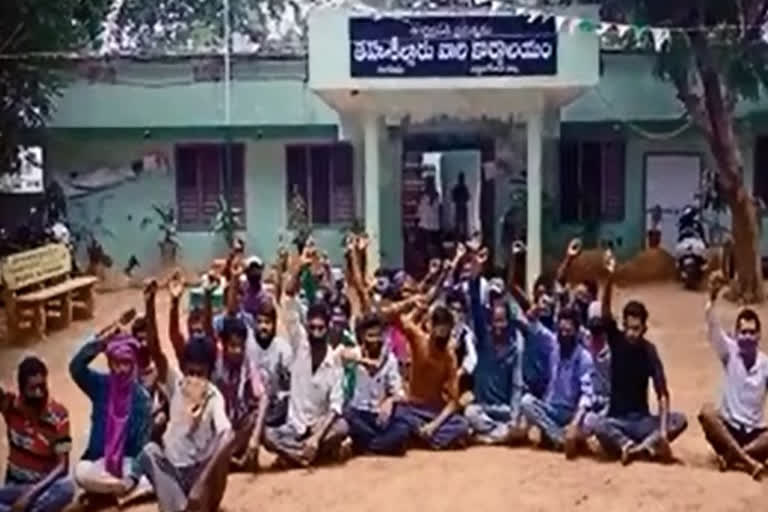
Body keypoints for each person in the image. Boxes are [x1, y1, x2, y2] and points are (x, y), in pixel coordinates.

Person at [592, 250, 688, 465]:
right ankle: (639, 447)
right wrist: (609, 277)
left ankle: (636, 449)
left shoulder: (649, 351)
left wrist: (662, 430)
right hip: (617, 420)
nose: (631, 332)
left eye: (636, 328)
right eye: (628, 327)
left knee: (679, 420)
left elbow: (662, 394)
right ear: (623, 326)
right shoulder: (616, 341)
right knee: (597, 425)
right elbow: (606, 312)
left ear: (644, 328)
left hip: (642, 421)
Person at [263, 254, 349, 467]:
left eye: (321, 328)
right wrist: (297, 269)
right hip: (294, 427)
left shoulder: (334, 362)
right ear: (307, 327)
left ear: (327, 328)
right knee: (266, 435)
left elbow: (335, 408)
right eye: (312, 327)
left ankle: (297, 455)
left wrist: (316, 437)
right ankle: (305, 456)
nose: (316, 332)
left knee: (343, 427)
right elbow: (289, 299)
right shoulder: (299, 343)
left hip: (318, 427)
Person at [137, 336, 234, 512]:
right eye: (190, 372)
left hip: (198, 473)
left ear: (209, 374)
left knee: (221, 446)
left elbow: (227, 435)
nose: (194, 379)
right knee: (149, 452)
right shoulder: (176, 385)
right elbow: (156, 350)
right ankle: (179, 506)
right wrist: (150, 308)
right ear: (184, 369)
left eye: (200, 374)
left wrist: (201, 482)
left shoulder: (214, 398)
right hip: (174, 470)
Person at [69, 326, 151, 505]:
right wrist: (101, 343)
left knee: (147, 478)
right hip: (101, 461)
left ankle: (110, 491)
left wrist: (132, 478)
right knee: (81, 472)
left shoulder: (142, 399)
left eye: (126, 363)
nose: (121, 369)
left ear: (133, 364)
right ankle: (119, 492)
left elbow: (143, 447)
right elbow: (76, 368)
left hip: (128, 463)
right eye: (116, 363)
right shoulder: (100, 385)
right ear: (110, 363)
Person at [698, 271, 768, 479]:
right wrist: (711, 297)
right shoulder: (730, 353)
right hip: (729, 429)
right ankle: (746, 460)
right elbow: (713, 326)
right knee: (707, 413)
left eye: (751, 332)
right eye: (743, 332)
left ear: (758, 336)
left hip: (753, 432)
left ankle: (733, 457)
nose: (747, 337)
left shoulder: (765, 365)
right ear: (736, 335)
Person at [379, 304, 470, 451]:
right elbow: (388, 315)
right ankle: (428, 438)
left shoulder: (450, 357)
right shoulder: (418, 339)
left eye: (445, 334)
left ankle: (421, 436)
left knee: (462, 425)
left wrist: (434, 426)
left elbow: (453, 401)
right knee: (395, 414)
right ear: (431, 327)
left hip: (434, 411)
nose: (442, 338)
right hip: (412, 407)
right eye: (439, 332)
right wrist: (411, 301)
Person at [0, 357, 74, 512]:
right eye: (32, 388)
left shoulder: (60, 416)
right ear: (21, 388)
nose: (39, 393)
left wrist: (30, 495)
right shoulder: (9, 405)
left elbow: (63, 466)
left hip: (43, 488)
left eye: (42, 386)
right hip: (14, 486)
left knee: (66, 489)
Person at [520, 307, 596, 458]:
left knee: (591, 421)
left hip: (572, 413)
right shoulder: (553, 343)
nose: (564, 334)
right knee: (526, 402)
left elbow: (587, 396)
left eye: (568, 331)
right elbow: (534, 326)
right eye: (561, 330)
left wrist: (574, 424)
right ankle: (561, 439)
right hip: (550, 409)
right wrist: (534, 311)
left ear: (576, 331)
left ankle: (562, 436)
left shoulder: (584, 357)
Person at [464, 275, 525, 445]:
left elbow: (517, 386)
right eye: (495, 322)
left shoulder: (515, 348)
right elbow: (475, 307)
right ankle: (498, 436)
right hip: (483, 408)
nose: (498, 326)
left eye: (502, 321)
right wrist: (474, 277)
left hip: (504, 409)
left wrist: (513, 418)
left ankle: (489, 436)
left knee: (519, 423)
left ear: (509, 322)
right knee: (470, 413)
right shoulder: (483, 341)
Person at [343, 313, 407, 454]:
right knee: (347, 415)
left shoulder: (390, 360)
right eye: (370, 336)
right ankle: (382, 445)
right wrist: (363, 361)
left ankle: (369, 446)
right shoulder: (355, 353)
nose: (375, 340)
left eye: (378, 335)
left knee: (403, 426)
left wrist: (390, 400)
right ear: (363, 336)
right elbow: (342, 354)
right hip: (358, 413)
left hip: (379, 416)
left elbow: (400, 392)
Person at [212, 315, 268, 471]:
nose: (238, 351)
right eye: (233, 346)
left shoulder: (247, 363)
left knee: (256, 416)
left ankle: (236, 458)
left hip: (237, 427)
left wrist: (255, 438)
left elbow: (263, 397)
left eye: (241, 346)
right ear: (223, 344)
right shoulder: (215, 364)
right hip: (218, 430)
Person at [417, 176, 442, 261]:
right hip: (434, 224)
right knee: (433, 243)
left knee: (425, 244)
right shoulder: (436, 195)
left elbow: (421, 209)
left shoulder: (423, 196)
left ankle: (428, 259)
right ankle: (433, 259)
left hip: (425, 223)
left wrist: (418, 217)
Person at [451, 172, 470, 240]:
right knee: (459, 224)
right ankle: (459, 238)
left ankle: (462, 237)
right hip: (460, 207)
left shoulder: (463, 188)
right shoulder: (460, 188)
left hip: (461, 207)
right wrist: (461, 201)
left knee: (462, 224)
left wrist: (461, 200)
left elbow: (468, 197)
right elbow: (453, 198)